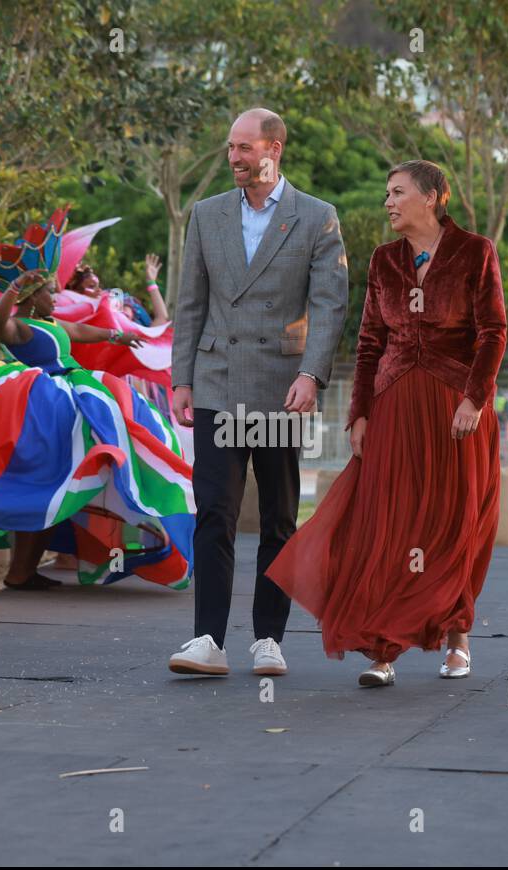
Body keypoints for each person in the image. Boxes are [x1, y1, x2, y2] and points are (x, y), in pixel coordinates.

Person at [266, 159, 505, 687]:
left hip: (455, 413)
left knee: (453, 523)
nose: (388, 203)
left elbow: (492, 332)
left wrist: (475, 398)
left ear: (433, 197)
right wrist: (360, 413)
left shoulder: (475, 252)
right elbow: (370, 341)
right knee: (388, 525)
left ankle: (457, 638)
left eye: (397, 193)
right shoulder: (384, 260)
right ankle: (384, 647)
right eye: (387, 194)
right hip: (394, 408)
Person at [167, 107, 348, 678]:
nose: (234, 158)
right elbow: (190, 303)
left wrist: (311, 374)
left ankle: (269, 638)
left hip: (281, 390)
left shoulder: (317, 218)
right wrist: (181, 378)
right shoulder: (206, 214)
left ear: (274, 149)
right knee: (215, 511)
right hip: (219, 384)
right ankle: (206, 640)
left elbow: (329, 305)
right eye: (230, 147)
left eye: (245, 148)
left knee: (278, 516)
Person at [0, 243, 195, 591]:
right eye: (49, 293)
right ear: (31, 296)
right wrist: (13, 288)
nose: (56, 298)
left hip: (69, 400)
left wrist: (119, 335)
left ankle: (23, 570)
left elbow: (82, 332)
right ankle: (20, 571)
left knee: (61, 479)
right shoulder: (19, 326)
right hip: (42, 407)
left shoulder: (52, 322)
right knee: (47, 481)